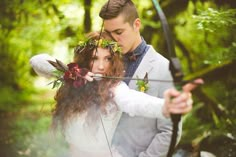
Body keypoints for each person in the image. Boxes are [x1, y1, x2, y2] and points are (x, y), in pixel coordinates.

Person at [30, 32, 201, 157]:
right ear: (85, 59)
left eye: (107, 59)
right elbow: (37, 61)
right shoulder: (74, 79)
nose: (101, 66)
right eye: (95, 58)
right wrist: (70, 73)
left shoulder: (115, 87)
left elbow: (134, 102)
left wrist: (165, 106)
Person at [99, 0, 195, 156]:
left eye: (119, 32)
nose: (113, 40)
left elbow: (170, 130)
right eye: (109, 33)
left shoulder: (163, 67)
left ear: (137, 25)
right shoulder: (103, 62)